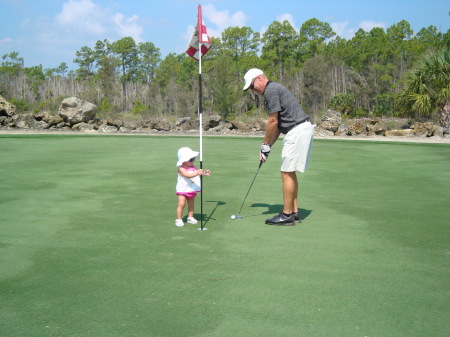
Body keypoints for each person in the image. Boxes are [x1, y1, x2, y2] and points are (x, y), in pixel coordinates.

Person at [243, 68, 314, 226]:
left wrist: (264, 144)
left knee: (286, 173)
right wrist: (267, 147)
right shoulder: (274, 89)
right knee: (290, 172)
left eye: (252, 85)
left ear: (260, 78)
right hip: (299, 129)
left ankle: (287, 215)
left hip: (297, 130)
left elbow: (273, 122)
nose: (253, 90)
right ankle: (294, 212)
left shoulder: (271, 90)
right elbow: (279, 127)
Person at [175, 147, 211, 227]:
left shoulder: (193, 167)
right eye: (191, 159)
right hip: (183, 190)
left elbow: (197, 173)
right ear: (184, 160)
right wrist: (197, 173)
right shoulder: (181, 169)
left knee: (191, 204)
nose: (193, 161)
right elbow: (188, 175)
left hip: (191, 189)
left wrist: (204, 173)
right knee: (181, 204)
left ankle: (190, 217)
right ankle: (179, 219)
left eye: (193, 159)